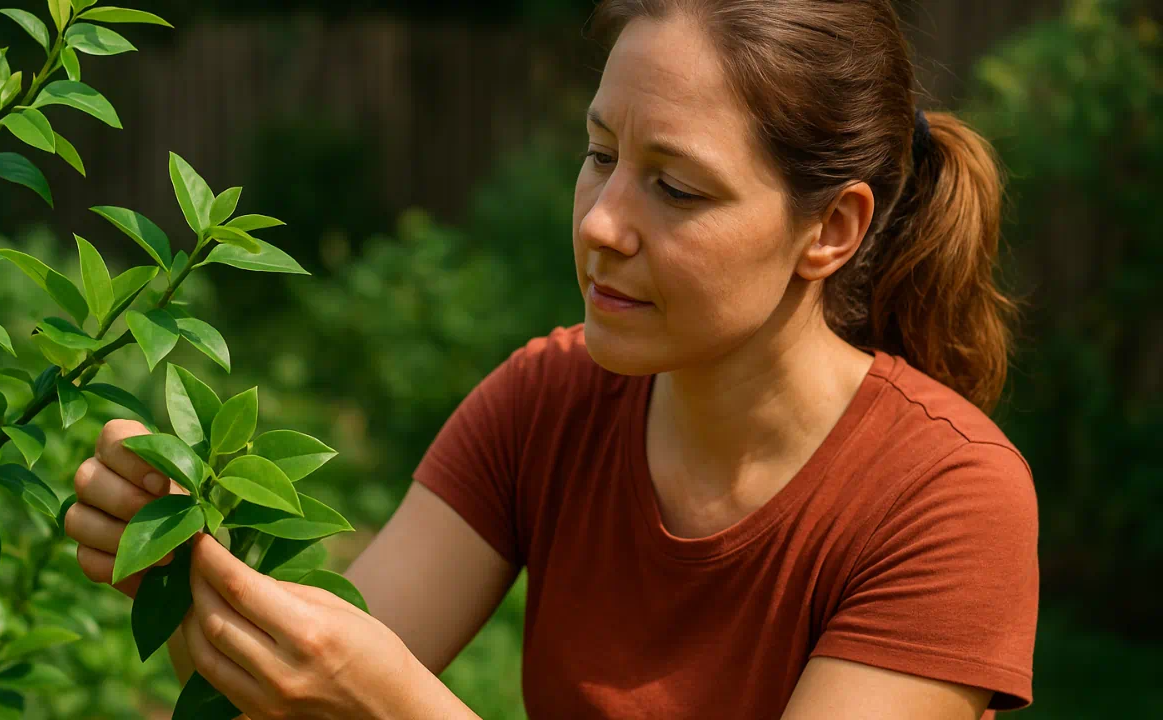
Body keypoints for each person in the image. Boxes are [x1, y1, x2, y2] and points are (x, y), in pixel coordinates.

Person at [63, 0, 1040, 718]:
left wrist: (401, 709)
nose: (601, 223)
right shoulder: (549, 400)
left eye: (676, 188)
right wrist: (173, 559)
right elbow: (291, 693)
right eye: (598, 153)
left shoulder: (946, 501)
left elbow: (372, 693)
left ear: (827, 228)